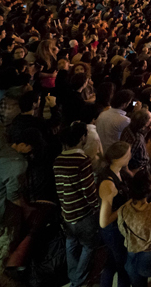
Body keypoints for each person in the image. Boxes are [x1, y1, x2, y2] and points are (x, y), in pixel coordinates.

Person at [0, 128, 40, 284]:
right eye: (31, 146)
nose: (32, 150)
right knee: (2, 246)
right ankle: (3, 277)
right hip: (2, 214)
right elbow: (14, 196)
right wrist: (27, 210)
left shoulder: (1, 152)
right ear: (23, 144)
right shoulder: (17, 164)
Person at [54, 122, 100, 287]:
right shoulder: (82, 160)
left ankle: (73, 275)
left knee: (71, 243)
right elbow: (88, 190)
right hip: (83, 214)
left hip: (67, 212)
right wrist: (96, 207)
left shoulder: (59, 160)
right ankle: (78, 279)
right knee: (88, 246)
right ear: (82, 138)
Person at [117, 171, 151, 287]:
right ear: (149, 190)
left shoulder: (123, 210)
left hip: (130, 254)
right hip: (149, 255)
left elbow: (122, 231)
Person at [98, 142, 133, 287]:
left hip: (117, 228)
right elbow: (104, 221)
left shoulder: (118, 171)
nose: (130, 156)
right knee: (122, 265)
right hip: (112, 230)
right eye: (127, 154)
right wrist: (126, 205)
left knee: (112, 261)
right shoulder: (108, 184)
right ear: (117, 159)